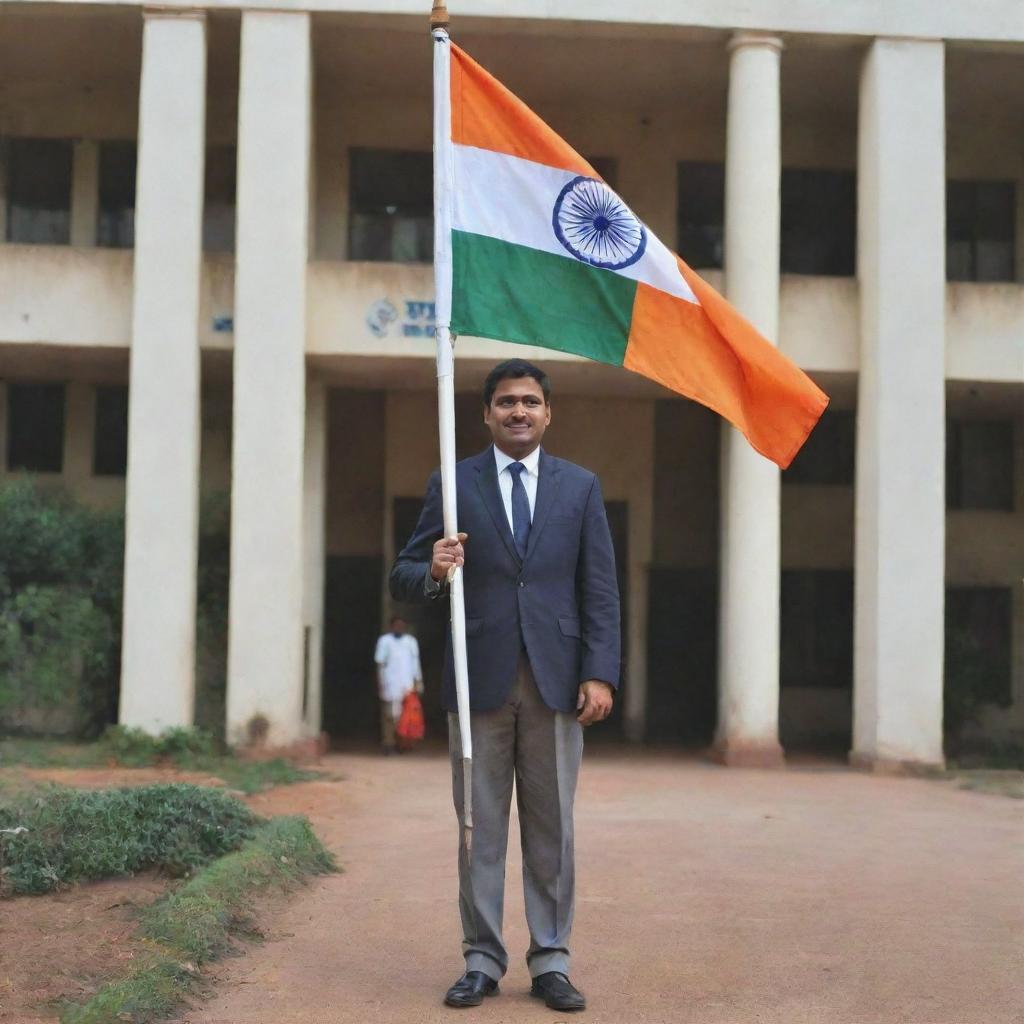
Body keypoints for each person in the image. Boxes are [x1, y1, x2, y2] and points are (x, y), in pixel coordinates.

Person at [390, 359, 620, 1012]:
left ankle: (550, 959)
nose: (518, 412)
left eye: (529, 402)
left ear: (548, 413)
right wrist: (433, 567)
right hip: (477, 680)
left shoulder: (579, 488)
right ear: (486, 414)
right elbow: (404, 574)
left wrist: (600, 670)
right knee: (478, 828)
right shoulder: (454, 482)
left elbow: (598, 587)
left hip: (557, 684)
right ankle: (482, 959)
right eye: (505, 402)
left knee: (553, 831)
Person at [374, 616, 422, 755]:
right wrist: (381, 683)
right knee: (389, 716)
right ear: (391, 627)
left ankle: (403, 744)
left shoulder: (410, 642)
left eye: (401, 626)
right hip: (390, 684)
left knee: (407, 716)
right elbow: (380, 663)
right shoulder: (385, 641)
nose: (399, 628)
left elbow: (415, 663)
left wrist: (418, 681)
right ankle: (389, 744)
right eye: (396, 626)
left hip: (407, 685)